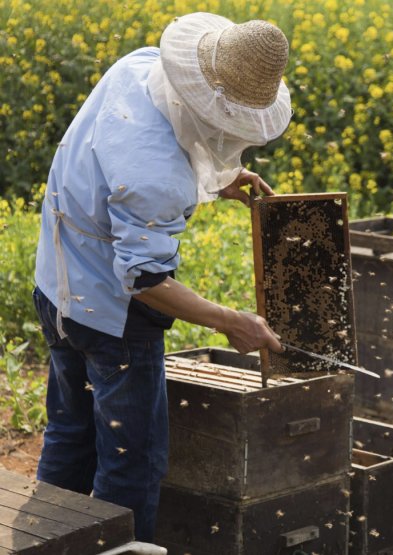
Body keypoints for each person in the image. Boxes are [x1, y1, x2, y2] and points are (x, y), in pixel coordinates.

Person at [32, 12, 289, 542]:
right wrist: (230, 321)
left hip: (54, 282)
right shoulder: (157, 178)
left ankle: (41, 542)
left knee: (70, 432)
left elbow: (127, 158)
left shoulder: (139, 68)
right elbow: (146, 279)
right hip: (110, 316)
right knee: (133, 461)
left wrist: (215, 178)